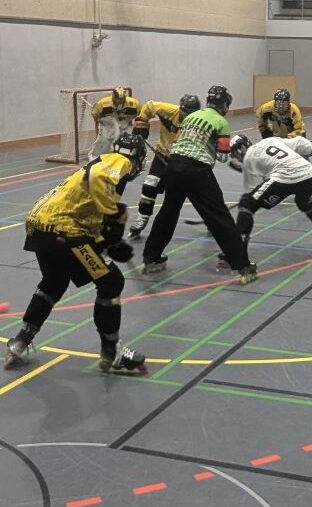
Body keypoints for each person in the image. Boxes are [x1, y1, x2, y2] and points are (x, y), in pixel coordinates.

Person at [5, 133, 149, 373]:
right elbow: (99, 178)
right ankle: (111, 352)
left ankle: (21, 341)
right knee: (112, 281)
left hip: (39, 224)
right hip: (64, 231)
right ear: (137, 158)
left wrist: (108, 243)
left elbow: (89, 222)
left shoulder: (98, 164)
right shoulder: (117, 162)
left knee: (54, 282)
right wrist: (114, 213)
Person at [141, 85, 258, 284]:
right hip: (196, 170)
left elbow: (176, 143)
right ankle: (242, 265)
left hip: (174, 165)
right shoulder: (221, 122)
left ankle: (151, 258)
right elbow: (222, 157)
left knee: (168, 213)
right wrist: (231, 147)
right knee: (219, 217)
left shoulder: (190, 117)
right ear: (225, 105)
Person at [228, 135, 312, 255]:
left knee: (246, 205)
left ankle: (237, 252)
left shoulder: (248, 159)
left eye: (236, 154)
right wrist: (310, 147)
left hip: (284, 177)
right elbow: (299, 142)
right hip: (306, 172)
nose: (237, 158)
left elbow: (251, 192)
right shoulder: (270, 140)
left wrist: (253, 189)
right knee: (307, 205)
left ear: (241, 148)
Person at [127, 93, 201, 240]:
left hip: (185, 161)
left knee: (197, 193)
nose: (186, 117)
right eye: (184, 113)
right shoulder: (167, 111)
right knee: (149, 186)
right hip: (162, 156)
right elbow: (149, 106)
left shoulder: (200, 123)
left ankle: (210, 220)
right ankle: (142, 218)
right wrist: (142, 124)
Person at [89, 87, 140, 160]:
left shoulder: (135, 104)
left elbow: (142, 115)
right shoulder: (103, 104)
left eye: (122, 99)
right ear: (113, 96)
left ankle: (121, 154)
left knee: (126, 138)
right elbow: (95, 114)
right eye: (117, 99)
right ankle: (94, 156)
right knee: (109, 135)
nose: (119, 101)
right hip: (108, 119)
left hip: (125, 120)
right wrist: (98, 127)